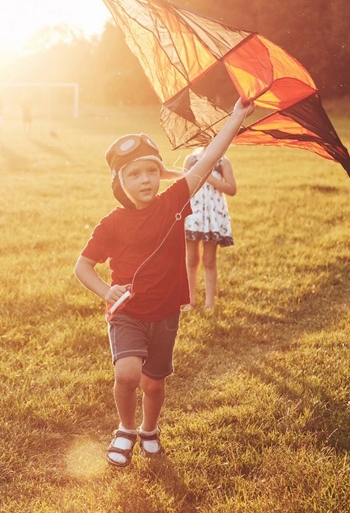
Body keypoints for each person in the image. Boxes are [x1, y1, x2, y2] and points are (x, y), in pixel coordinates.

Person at [73, 98, 254, 468]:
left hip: (166, 313)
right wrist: (107, 291)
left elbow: (208, 159)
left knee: (154, 384)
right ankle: (125, 429)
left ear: (161, 174)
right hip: (127, 313)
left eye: (151, 171)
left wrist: (236, 116)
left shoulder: (174, 200)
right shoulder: (111, 223)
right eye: (134, 174)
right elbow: (83, 266)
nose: (145, 180)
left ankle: (149, 430)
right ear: (119, 182)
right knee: (127, 373)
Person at [183, 148, 237, 310]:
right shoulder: (191, 160)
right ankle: (189, 300)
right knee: (191, 259)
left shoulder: (222, 162)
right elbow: (183, 187)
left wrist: (211, 179)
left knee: (209, 260)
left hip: (212, 217)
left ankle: (209, 304)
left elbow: (232, 189)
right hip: (193, 215)